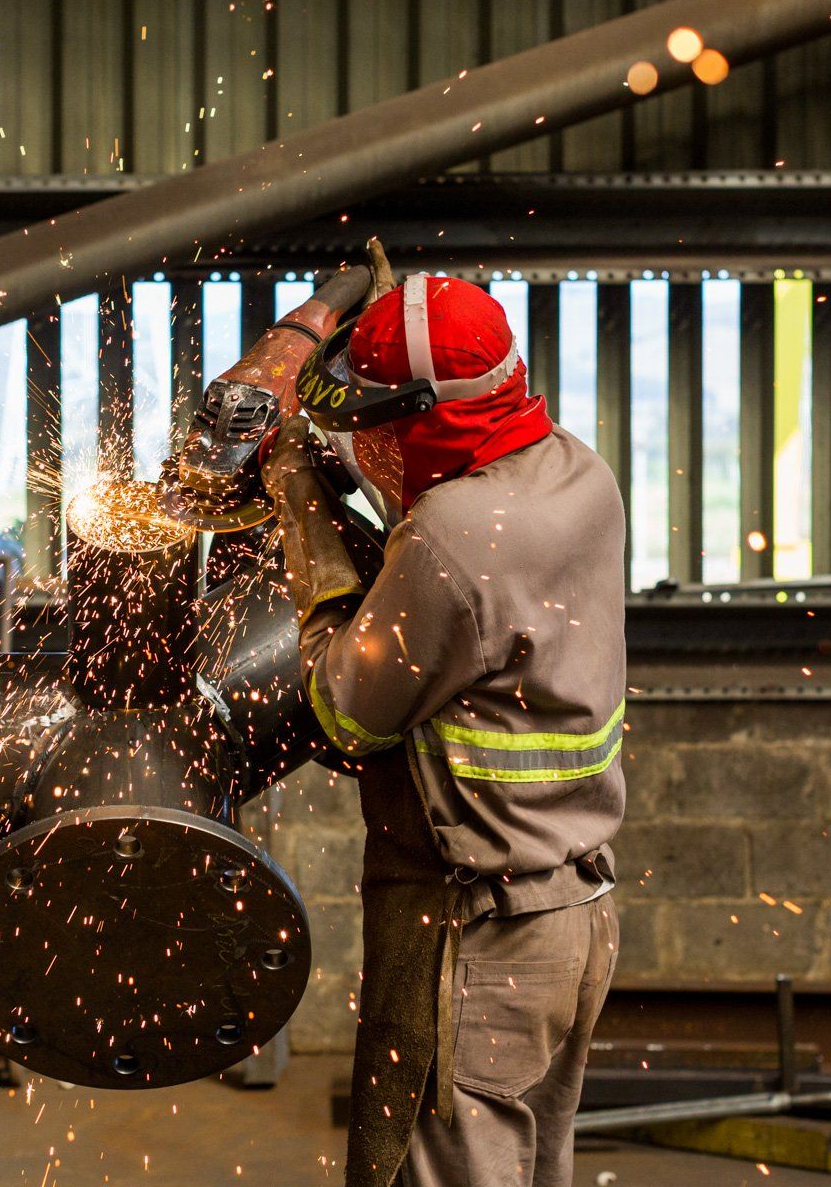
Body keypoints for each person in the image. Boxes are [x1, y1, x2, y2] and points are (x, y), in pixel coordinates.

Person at [262, 272, 627, 1187]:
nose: (365, 443)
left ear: (428, 421)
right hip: (573, 916)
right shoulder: (579, 474)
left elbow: (344, 715)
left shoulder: (455, 536)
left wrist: (306, 514)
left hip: (479, 940)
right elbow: (454, 532)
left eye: (377, 428)